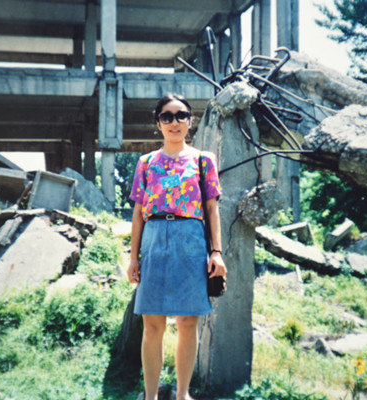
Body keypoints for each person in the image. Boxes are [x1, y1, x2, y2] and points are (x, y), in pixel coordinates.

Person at [127, 94, 227, 400]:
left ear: (190, 120)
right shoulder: (145, 163)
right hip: (154, 239)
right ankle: (151, 396)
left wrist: (217, 252)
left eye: (181, 115)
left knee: (187, 322)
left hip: (190, 240)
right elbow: (137, 213)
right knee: (152, 324)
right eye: (167, 116)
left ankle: (182, 394)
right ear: (158, 123)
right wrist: (133, 258)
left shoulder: (203, 160)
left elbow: (212, 209)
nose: (174, 122)